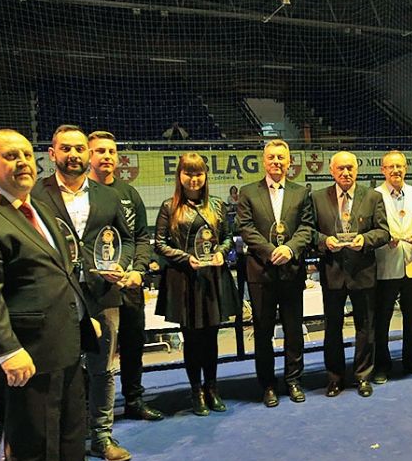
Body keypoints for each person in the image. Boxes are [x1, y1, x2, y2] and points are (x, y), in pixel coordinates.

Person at [0, 129, 121, 461]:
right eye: (10, 156)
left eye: (25, 154)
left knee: (72, 425)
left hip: (64, 337)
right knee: (33, 442)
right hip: (26, 351)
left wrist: (84, 317)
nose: (22, 162)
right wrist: (7, 350)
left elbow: (61, 270)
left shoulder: (30, 203)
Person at [31, 125, 134, 461]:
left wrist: (122, 263)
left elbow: (127, 239)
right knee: (62, 367)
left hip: (102, 294)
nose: (73, 155)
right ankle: (68, 439)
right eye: (66, 149)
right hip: (56, 296)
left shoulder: (108, 196)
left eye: (79, 149)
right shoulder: (36, 194)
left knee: (103, 368)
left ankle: (102, 436)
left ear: (87, 154)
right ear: (52, 154)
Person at [154, 153, 240, 414]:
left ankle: (212, 388)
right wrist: (185, 258)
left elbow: (228, 237)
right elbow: (159, 244)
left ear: (205, 176)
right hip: (184, 281)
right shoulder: (169, 207)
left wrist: (221, 253)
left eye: (198, 173)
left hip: (212, 279)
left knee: (211, 338)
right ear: (179, 175)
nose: (194, 179)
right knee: (191, 341)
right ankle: (196, 391)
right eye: (188, 173)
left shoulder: (217, 205)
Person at [87, 131, 163, 422]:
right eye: (100, 151)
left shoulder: (129, 194)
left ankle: (134, 401)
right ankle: (90, 411)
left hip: (128, 284)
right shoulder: (80, 194)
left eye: (111, 151)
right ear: (88, 156)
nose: (106, 156)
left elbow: (142, 237)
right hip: (94, 289)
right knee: (94, 348)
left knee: (133, 344)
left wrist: (137, 270)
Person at [237, 140, 315, 407]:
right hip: (262, 272)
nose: (276, 162)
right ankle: (268, 385)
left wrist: (290, 249)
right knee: (263, 332)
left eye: (281, 157)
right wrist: (271, 251)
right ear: (263, 160)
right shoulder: (248, 192)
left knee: (293, 330)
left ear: (289, 161)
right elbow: (246, 228)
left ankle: (294, 381)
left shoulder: (301, 192)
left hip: (291, 271)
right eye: (271, 157)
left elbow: (307, 227)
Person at [313, 151, 390, 398]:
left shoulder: (373, 197)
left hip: (363, 272)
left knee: (365, 327)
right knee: (332, 328)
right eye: (341, 168)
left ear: (357, 170)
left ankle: (363, 376)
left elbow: (383, 232)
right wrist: (325, 241)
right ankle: (335, 378)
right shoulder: (317, 198)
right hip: (332, 271)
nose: (346, 173)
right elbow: (309, 232)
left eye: (350, 168)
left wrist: (364, 240)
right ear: (331, 171)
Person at [373, 150, 412, 384]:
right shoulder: (373, 196)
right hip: (385, 265)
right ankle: (381, 365)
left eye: (399, 166)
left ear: (406, 168)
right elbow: (370, 230)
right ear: (383, 170)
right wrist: (383, 239)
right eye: (390, 167)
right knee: (382, 320)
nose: (395, 170)